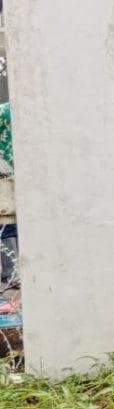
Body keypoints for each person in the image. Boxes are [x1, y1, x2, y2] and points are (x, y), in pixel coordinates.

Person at [0, 103, 18, 290]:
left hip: (13, 175)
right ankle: (12, 273)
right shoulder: (5, 112)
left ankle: (14, 272)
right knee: (7, 223)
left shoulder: (8, 111)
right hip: (5, 176)